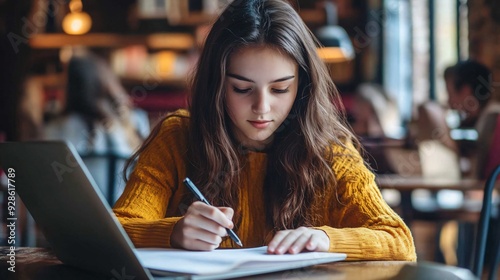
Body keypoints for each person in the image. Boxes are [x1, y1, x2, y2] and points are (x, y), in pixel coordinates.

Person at [113, 0, 416, 261]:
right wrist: (173, 232)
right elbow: (112, 230)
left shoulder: (330, 149)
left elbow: (398, 241)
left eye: (280, 89)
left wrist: (325, 239)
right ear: (216, 85)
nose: (262, 107)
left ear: (302, 86)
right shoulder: (178, 137)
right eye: (242, 89)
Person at [44, 52, 150, 202]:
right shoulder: (132, 123)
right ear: (106, 83)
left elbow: (46, 182)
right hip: (123, 216)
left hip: (71, 217)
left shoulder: (56, 129)